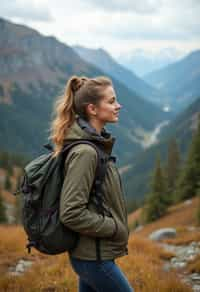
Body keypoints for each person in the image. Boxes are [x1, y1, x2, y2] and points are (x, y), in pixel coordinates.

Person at [48, 75, 134, 292]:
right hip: (94, 259)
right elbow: (70, 212)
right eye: (112, 101)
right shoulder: (86, 152)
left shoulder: (96, 145)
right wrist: (114, 227)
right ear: (92, 109)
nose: (119, 105)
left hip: (93, 254)